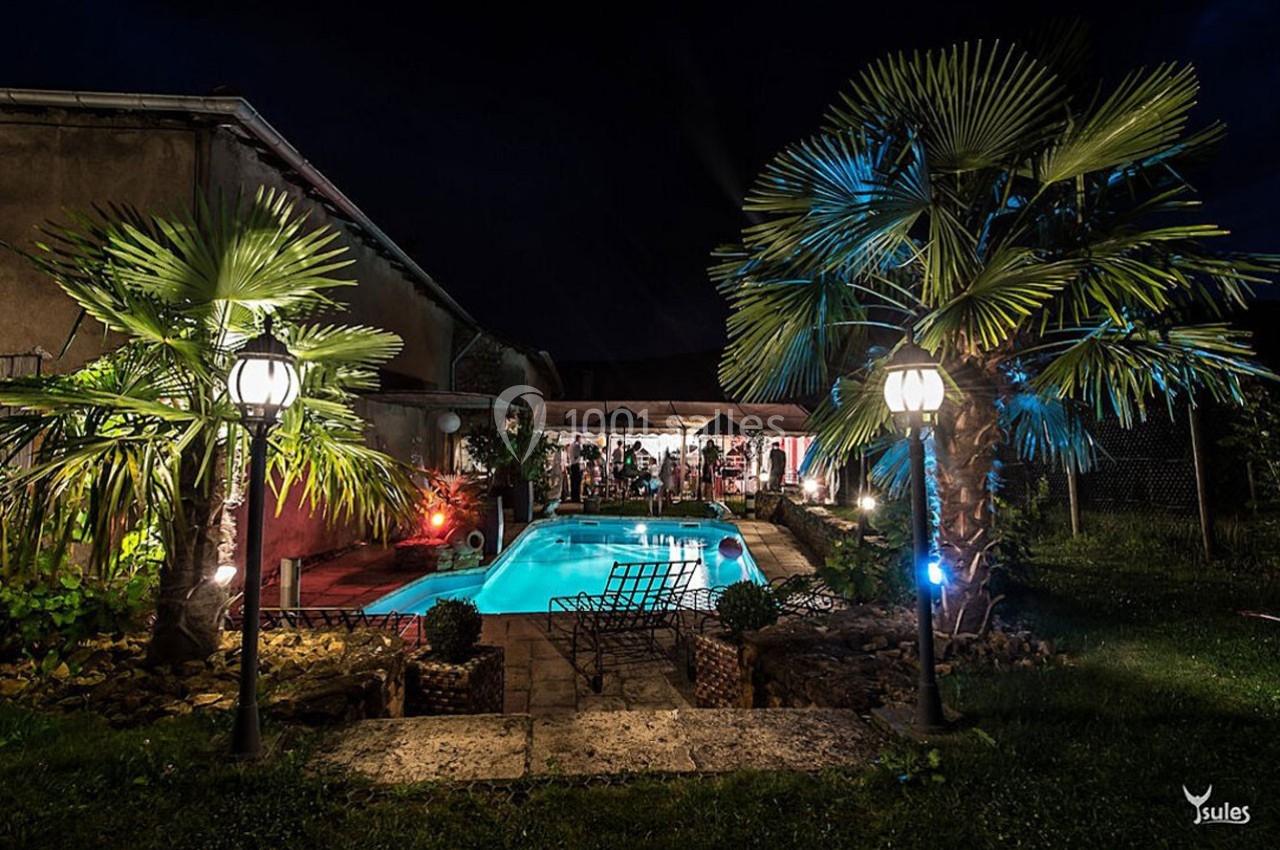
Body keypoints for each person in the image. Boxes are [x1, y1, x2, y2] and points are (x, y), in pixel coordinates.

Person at [567, 435, 583, 502]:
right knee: (577, 482)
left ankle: (573, 497)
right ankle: (577, 497)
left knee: (573, 482)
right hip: (576, 465)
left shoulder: (571, 445)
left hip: (572, 465)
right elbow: (577, 456)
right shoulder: (577, 446)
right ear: (578, 439)